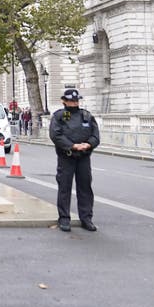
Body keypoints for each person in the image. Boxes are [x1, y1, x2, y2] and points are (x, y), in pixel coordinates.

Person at [49, 87, 99, 232]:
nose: (74, 103)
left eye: (76, 101)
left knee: (85, 188)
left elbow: (95, 134)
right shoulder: (59, 116)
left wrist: (88, 144)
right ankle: (64, 218)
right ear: (64, 101)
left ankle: (86, 218)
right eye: (71, 101)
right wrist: (72, 146)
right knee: (65, 188)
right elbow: (56, 135)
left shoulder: (87, 116)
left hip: (84, 157)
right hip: (67, 156)